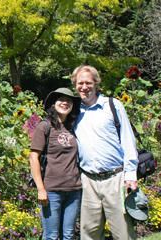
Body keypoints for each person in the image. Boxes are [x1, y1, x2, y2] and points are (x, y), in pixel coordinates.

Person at [71, 65, 138, 240]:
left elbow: (128, 140)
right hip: (88, 181)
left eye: (88, 82)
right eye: (80, 83)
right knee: (89, 234)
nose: (84, 87)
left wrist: (131, 174)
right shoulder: (74, 111)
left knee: (123, 233)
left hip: (115, 179)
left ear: (96, 84)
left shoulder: (112, 105)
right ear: (75, 85)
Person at [29, 88, 82, 240]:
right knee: (51, 236)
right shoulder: (45, 126)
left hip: (73, 190)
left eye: (69, 100)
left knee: (69, 234)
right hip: (52, 191)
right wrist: (40, 189)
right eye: (61, 99)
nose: (65, 103)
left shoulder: (74, 127)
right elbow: (34, 158)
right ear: (53, 104)